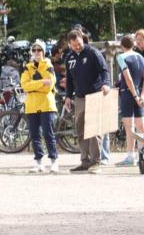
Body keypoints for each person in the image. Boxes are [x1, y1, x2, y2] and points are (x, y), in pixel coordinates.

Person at [64, 30, 111, 173]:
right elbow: (69, 79)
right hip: (79, 97)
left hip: (95, 94)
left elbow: (104, 70)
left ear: (82, 40)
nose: (77, 47)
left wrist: (106, 84)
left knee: (95, 130)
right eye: (74, 45)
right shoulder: (69, 57)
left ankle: (96, 162)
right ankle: (85, 161)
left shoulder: (93, 53)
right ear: (69, 44)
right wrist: (68, 96)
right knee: (81, 130)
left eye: (79, 44)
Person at [21, 40, 59, 173]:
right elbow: (25, 86)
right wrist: (42, 82)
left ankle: (54, 161)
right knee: (35, 135)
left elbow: (50, 86)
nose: (36, 52)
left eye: (39, 50)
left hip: (46, 105)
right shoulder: (27, 67)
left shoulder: (48, 65)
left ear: (44, 52)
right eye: (34, 50)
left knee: (49, 134)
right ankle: (38, 162)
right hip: (32, 105)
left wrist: (33, 85)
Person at [115, 35, 144, 167]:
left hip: (128, 93)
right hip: (139, 93)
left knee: (129, 126)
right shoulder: (141, 57)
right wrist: (142, 95)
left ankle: (131, 157)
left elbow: (128, 78)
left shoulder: (121, 57)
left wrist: (135, 96)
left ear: (121, 45)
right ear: (134, 44)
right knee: (141, 126)